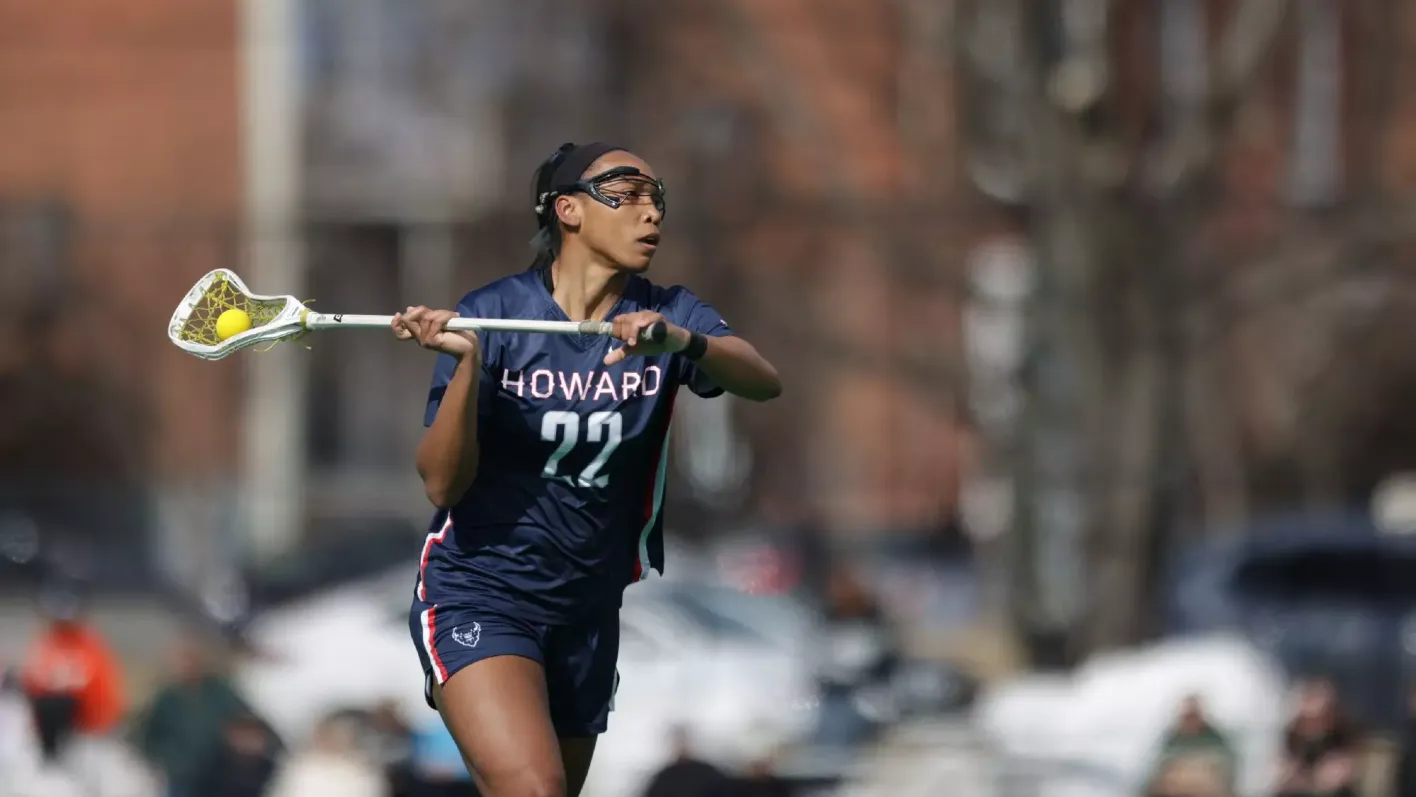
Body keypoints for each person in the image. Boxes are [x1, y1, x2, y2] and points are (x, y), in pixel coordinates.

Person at [393, 142, 782, 797]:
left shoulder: (670, 312)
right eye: (626, 194)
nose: (650, 213)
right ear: (567, 210)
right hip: (481, 594)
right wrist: (466, 366)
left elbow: (763, 381)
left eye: (657, 198)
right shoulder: (496, 315)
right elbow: (440, 482)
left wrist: (683, 342)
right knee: (534, 788)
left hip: (588, 609)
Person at [1144, 695, 1236, 797]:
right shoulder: (1171, 741)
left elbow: (1226, 767)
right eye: (1187, 716)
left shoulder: (1216, 740)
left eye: (1193, 715)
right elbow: (1159, 768)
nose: (1191, 721)